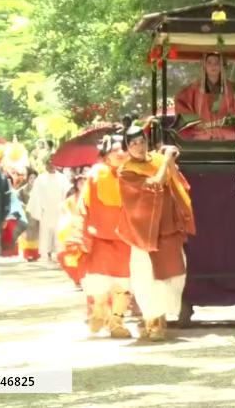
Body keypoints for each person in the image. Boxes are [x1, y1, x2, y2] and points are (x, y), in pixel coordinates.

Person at [116, 126, 196, 341]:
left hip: (167, 227)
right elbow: (154, 186)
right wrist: (166, 159)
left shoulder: (158, 160)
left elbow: (177, 183)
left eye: (141, 141)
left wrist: (168, 161)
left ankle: (160, 318)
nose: (139, 147)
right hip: (144, 233)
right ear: (127, 147)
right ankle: (152, 322)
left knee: (175, 274)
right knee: (146, 278)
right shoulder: (126, 171)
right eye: (133, 144)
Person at [80, 133, 134, 339]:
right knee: (99, 282)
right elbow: (84, 206)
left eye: (124, 149)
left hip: (127, 238)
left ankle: (117, 322)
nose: (120, 154)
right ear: (106, 155)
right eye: (115, 150)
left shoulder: (135, 174)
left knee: (124, 283)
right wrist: (84, 233)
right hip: (100, 238)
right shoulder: (96, 174)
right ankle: (99, 311)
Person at [174, 52, 235, 140]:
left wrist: (233, 120)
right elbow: (182, 105)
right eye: (209, 63)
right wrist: (198, 123)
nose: (213, 66)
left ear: (222, 66)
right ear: (204, 66)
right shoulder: (192, 89)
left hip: (228, 130)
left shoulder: (233, 88)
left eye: (217, 63)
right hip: (200, 131)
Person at [27, 161, 70, 263]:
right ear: (45, 165)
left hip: (59, 209)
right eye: (49, 164)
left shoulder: (63, 178)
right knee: (45, 232)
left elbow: (67, 192)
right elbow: (35, 195)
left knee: (59, 232)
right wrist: (38, 209)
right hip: (45, 210)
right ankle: (45, 254)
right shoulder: (40, 179)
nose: (51, 166)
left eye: (53, 163)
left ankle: (59, 254)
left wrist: (65, 207)